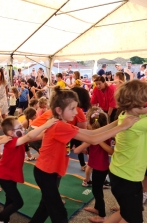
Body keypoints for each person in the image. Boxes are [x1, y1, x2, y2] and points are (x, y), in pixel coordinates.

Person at [28, 87, 138, 223]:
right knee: (59, 214)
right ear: (59, 110)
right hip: (45, 173)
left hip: (49, 172)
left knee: (45, 208)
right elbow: (93, 140)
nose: (77, 111)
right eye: (72, 108)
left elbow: (91, 133)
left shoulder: (63, 124)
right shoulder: (59, 126)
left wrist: (118, 122)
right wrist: (122, 127)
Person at [0, 116, 57, 223]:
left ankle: (3, 220)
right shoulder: (12, 141)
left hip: (10, 176)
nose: (23, 129)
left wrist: (51, 129)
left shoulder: (19, 139)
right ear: (11, 133)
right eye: (20, 127)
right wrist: (45, 125)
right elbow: (29, 136)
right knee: (18, 202)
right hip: (5, 177)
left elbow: (37, 136)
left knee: (10, 200)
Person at [104, 80, 147, 223]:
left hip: (121, 175)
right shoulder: (138, 123)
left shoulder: (128, 115)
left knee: (126, 212)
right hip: (127, 179)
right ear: (136, 105)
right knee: (133, 219)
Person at [73, 107, 113, 222]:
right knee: (97, 188)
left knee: (97, 190)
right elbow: (93, 149)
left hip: (100, 167)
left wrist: (80, 147)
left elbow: (76, 150)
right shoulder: (103, 135)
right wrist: (87, 149)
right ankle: (97, 208)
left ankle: (102, 215)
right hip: (97, 165)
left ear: (92, 125)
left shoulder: (95, 138)